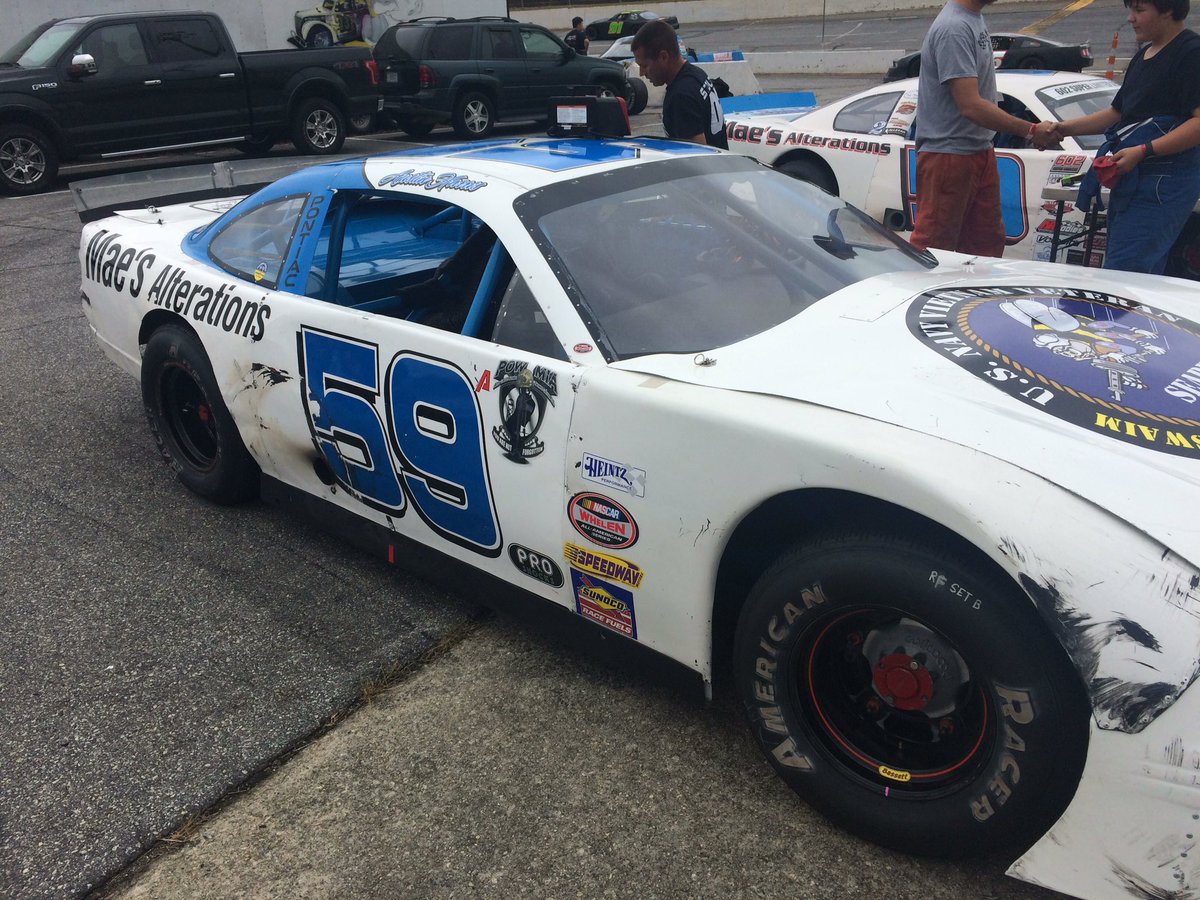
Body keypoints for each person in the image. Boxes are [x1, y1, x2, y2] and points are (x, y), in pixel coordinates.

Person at [1045, 0, 1200, 275]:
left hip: (1163, 182)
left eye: (1140, 11)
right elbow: (1117, 112)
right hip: (1131, 179)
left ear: (1168, 10)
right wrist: (1063, 129)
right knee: (1134, 273)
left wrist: (1144, 150)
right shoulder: (1143, 57)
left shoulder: (1191, 53)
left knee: (1125, 274)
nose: (1131, 19)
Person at [912, 0, 1057, 257]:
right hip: (949, 155)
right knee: (934, 250)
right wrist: (1031, 130)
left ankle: (976, 297)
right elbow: (971, 106)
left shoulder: (972, 19)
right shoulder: (953, 28)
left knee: (985, 245)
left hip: (978, 151)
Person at [631, 19, 728, 148]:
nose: (642, 73)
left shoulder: (681, 96)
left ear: (663, 57)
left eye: (644, 65)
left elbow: (696, 156)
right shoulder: (697, 74)